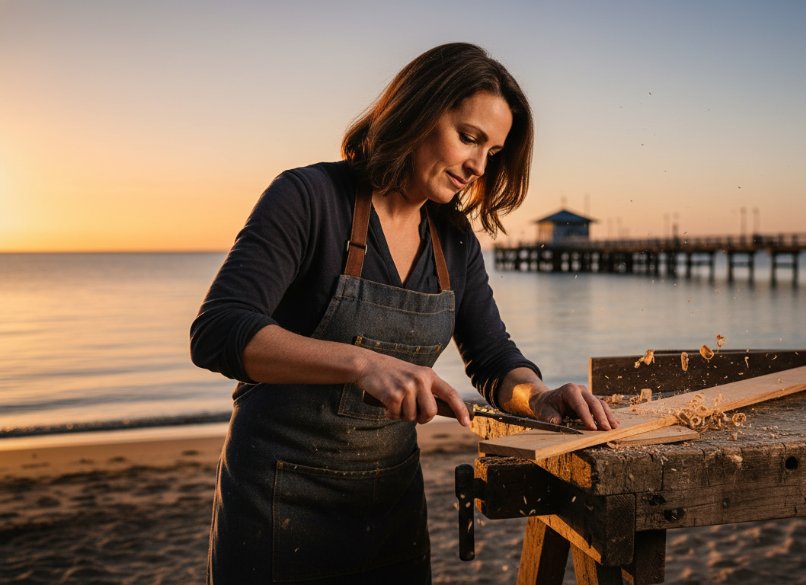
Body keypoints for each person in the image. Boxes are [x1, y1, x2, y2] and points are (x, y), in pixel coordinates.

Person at [190, 42, 618, 584]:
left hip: (390, 501)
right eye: (469, 138)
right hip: (278, 498)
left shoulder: (454, 239)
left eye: (492, 150)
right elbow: (218, 330)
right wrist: (363, 364)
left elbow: (492, 358)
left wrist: (536, 396)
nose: (477, 165)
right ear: (416, 110)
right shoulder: (308, 197)